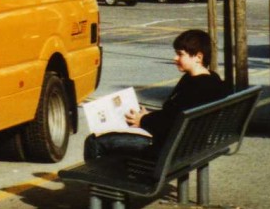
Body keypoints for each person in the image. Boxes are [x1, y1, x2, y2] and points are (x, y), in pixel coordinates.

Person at [83, 28, 226, 161]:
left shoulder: (198, 86)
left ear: (198, 57)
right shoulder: (211, 79)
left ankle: (106, 183)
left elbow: (172, 121)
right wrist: (147, 117)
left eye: (180, 54)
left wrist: (144, 120)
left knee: (94, 141)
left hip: (170, 148)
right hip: (189, 144)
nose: (175, 58)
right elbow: (176, 114)